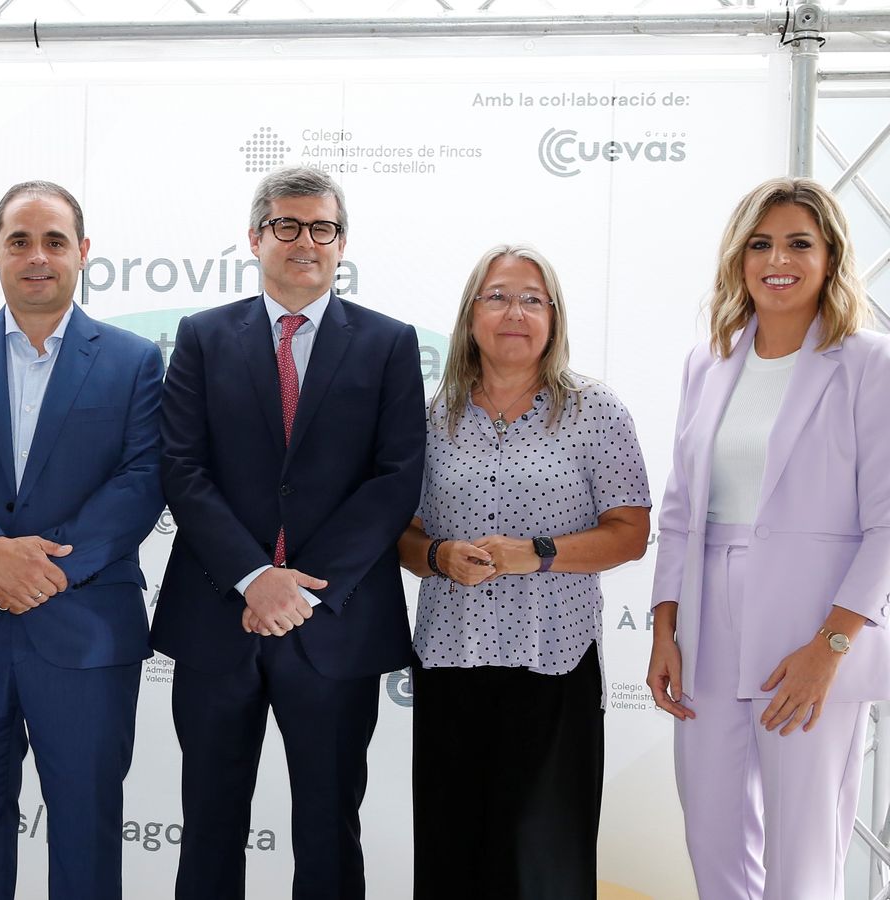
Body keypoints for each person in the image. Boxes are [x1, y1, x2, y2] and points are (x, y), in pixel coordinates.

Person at [151, 165, 425, 900]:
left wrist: (298, 589)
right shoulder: (203, 337)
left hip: (334, 624)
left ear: (342, 243)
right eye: (287, 226)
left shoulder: (389, 343)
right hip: (219, 619)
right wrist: (254, 577)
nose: (306, 241)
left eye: (322, 228)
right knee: (209, 829)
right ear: (255, 237)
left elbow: (396, 478)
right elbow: (182, 467)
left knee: (330, 832)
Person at [0, 180, 164, 900]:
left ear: (83, 251)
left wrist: (45, 570)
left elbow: (143, 479)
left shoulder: (135, 360)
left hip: (85, 626)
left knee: (86, 830)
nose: (37, 256)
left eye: (53, 241)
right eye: (20, 241)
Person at [648, 177, 890, 900]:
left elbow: (887, 523)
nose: (777, 260)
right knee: (712, 838)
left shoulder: (869, 363)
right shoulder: (708, 361)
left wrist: (831, 647)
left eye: (798, 243)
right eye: (760, 244)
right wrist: (665, 629)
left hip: (811, 631)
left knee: (801, 854)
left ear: (830, 257)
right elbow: (680, 511)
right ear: (739, 258)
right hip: (705, 631)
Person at [396, 244, 650, 899]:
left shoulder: (595, 410)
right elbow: (401, 533)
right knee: (452, 861)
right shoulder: (430, 415)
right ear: (471, 315)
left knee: (544, 869)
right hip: (451, 662)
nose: (516, 312)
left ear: (554, 317)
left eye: (533, 299)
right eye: (499, 297)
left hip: (554, 664)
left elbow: (631, 532)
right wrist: (438, 556)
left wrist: (537, 552)